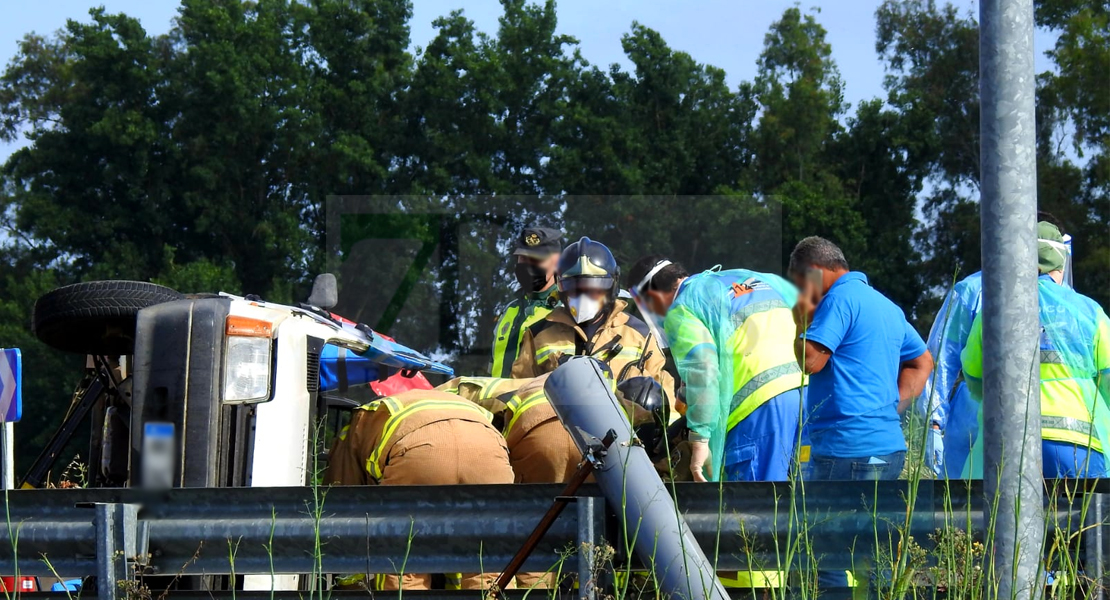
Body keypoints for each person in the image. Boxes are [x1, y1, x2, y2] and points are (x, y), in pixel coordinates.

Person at [627, 256, 805, 484]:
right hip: (806, 396)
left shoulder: (682, 308)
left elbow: (703, 367)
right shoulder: (755, 277)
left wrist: (699, 440)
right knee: (799, 505)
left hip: (758, 409)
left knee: (755, 509)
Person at [324, 388, 514, 592]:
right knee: (488, 564)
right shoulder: (459, 403)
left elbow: (344, 501)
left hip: (419, 451)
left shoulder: (363, 418)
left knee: (405, 565)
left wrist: (349, 583)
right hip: (488, 450)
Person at [960, 222, 1110, 479]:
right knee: (1085, 517)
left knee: (1007, 517)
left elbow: (973, 376)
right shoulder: (1089, 311)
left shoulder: (995, 309)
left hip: (1010, 439)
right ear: (1061, 265)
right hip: (1077, 440)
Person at [789, 236, 933, 481]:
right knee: (872, 520)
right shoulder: (887, 306)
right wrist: (893, 406)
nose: (800, 291)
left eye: (800, 284)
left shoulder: (837, 299)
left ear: (813, 272)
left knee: (829, 520)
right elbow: (923, 361)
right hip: (889, 447)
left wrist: (803, 318)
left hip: (846, 449)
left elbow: (811, 362)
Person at [512, 237, 675, 403]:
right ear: (561, 288)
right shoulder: (538, 334)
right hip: (554, 427)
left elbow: (663, 399)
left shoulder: (640, 335)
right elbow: (519, 392)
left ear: (612, 287)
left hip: (625, 428)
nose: (584, 297)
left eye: (593, 289)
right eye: (575, 289)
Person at [917, 271, 983, 478]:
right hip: (972, 421)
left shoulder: (974, 289)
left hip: (974, 414)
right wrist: (934, 422)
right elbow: (942, 358)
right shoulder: (973, 290)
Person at [490, 226, 563, 377]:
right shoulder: (509, 310)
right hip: (493, 399)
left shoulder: (564, 312)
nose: (528, 266)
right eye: (523, 258)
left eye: (536, 259)